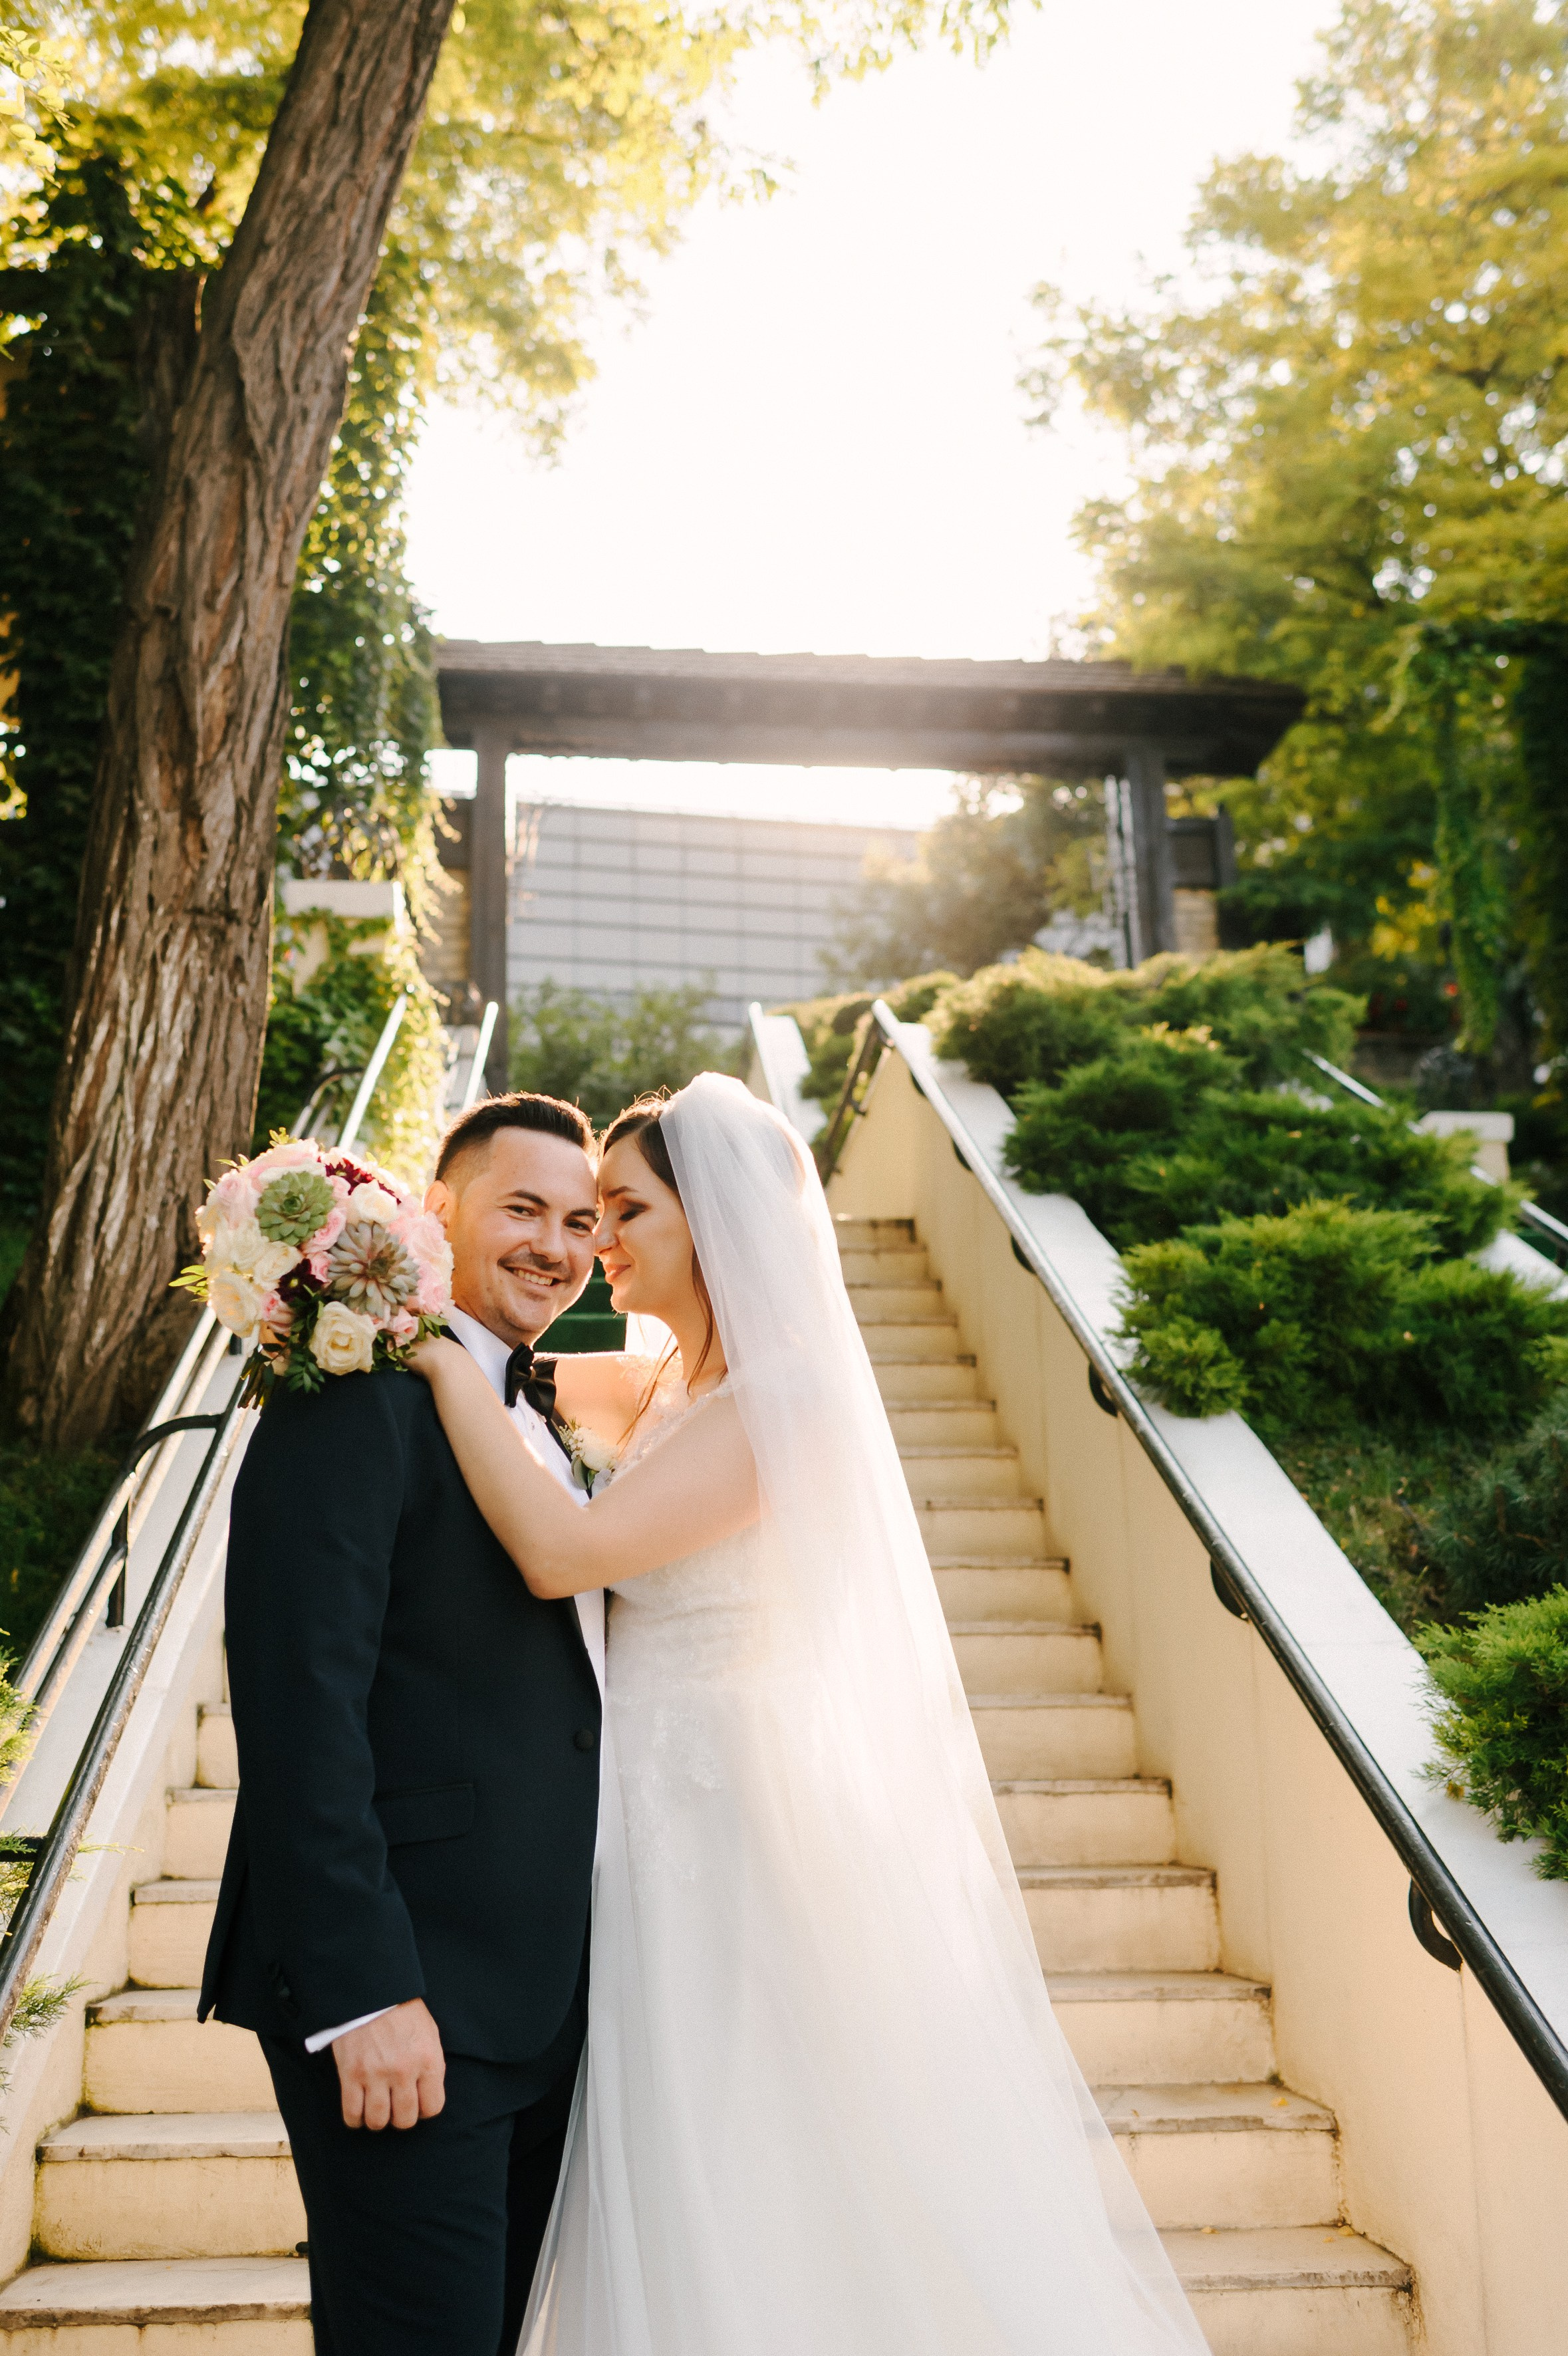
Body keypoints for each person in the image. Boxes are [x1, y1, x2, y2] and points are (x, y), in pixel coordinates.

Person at [414, 1073, 1210, 2356]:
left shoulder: (781, 1399)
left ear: (712, 1219)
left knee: (746, 2147)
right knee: (671, 2143)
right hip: (645, 1809)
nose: (597, 1239)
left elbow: (567, 1553)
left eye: (623, 1208)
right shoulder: (672, 1386)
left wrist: (439, 1358)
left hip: (728, 1818)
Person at [200, 1092, 607, 2356]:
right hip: (407, 1997)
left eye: (582, 1221)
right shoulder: (356, 1393)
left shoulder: (540, 1418)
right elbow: (296, 1697)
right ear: (438, 1212)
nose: (554, 1244)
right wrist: (362, 1989)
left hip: (541, 2005)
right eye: (522, 1208)